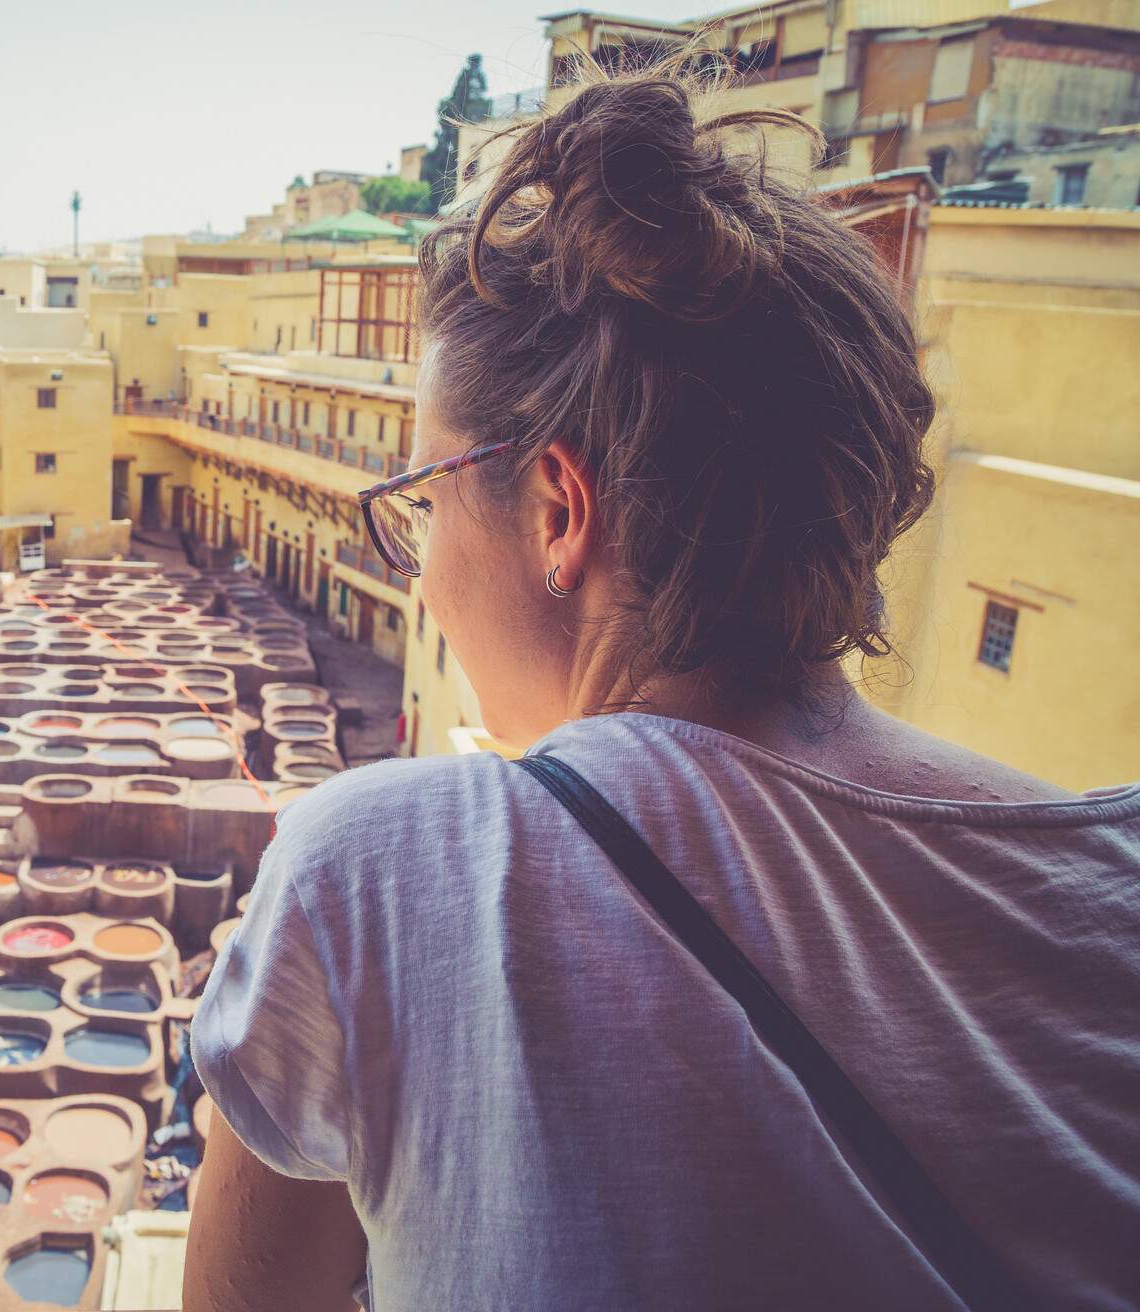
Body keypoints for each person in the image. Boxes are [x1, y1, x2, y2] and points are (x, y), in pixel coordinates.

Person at [184, 60, 1140, 1311]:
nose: (419, 577)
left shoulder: (377, 876)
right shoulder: (1110, 890)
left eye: (418, 503)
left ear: (558, 512)